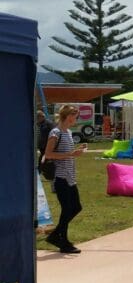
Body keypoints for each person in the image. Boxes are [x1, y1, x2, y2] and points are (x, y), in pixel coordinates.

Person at [42, 105, 86, 253]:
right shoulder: (55, 133)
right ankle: (64, 242)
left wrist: (77, 151)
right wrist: (71, 154)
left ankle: (55, 235)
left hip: (70, 176)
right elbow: (48, 154)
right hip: (60, 177)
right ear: (68, 117)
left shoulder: (67, 131)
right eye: (75, 116)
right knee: (67, 209)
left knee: (76, 207)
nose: (76, 119)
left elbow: (68, 152)